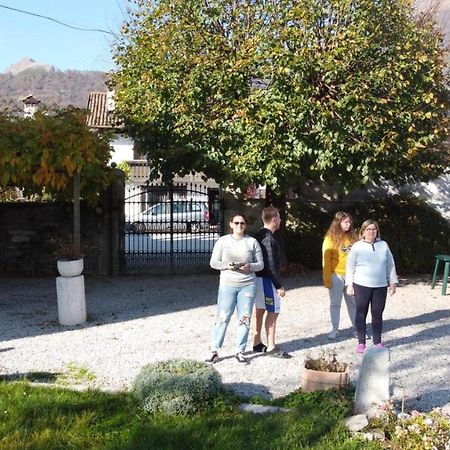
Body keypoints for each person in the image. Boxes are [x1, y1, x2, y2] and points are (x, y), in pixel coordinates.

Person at [206, 213, 264, 364]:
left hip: (248, 285)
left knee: (244, 318)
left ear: (246, 225)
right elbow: (213, 263)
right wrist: (227, 265)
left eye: (242, 223)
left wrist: (249, 266)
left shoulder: (252, 242)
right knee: (222, 318)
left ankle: (240, 350)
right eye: (236, 223)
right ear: (231, 224)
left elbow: (261, 264)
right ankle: (214, 350)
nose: (239, 226)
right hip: (228, 285)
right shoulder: (223, 241)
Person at [345, 219, 398, 353]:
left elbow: (390, 265)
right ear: (363, 232)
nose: (371, 232)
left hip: (380, 286)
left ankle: (377, 341)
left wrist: (392, 283)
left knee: (377, 314)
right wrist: (349, 284)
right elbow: (350, 267)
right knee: (361, 313)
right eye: (368, 229)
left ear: (377, 231)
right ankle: (361, 342)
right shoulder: (357, 246)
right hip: (361, 285)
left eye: (374, 229)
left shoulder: (383, 245)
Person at [252, 206, 291, 358]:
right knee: (273, 311)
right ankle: (271, 346)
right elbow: (270, 265)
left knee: (260, 310)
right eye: (279, 217)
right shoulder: (268, 238)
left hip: (259, 279)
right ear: (274, 219)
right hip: (267, 281)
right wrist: (278, 285)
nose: (280, 220)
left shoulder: (259, 235)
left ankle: (256, 342)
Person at [322, 211, 357, 339]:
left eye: (349, 222)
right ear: (339, 223)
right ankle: (335, 329)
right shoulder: (329, 239)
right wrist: (327, 280)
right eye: (346, 222)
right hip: (335, 275)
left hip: (351, 276)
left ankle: (357, 329)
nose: (349, 224)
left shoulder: (353, 238)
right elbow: (325, 261)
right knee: (335, 304)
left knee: (353, 304)